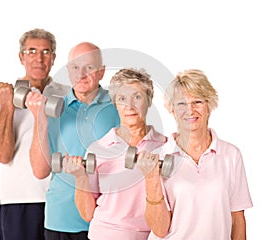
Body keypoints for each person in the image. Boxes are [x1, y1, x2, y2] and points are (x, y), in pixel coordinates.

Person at [137, 69, 253, 239]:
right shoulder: (159, 156)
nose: (190, 110)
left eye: (197, 102)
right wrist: (151, 178)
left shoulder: (230, 155)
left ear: (209, 106)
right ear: (172, 109)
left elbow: (237, 218)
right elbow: (160, 230)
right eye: (181, 104)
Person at [27, 42, 120, 239]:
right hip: (60, 220)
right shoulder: (54, 110)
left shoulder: (119, 107)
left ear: (102, 72)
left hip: (105, 221)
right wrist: (39, 118)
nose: (81, 74)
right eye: (75, 67)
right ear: (68, 71)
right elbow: (39, 171)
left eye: (89, 67)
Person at [63, 68, 167, 239]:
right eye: (122, 99)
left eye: (137, 97)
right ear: (115, 103)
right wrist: (79, 177)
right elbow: (87, 214)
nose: (130, 106)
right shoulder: (98, 149)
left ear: (149, 101)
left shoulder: (165, 146)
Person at [0, 28, 67, 240]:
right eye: (31, 51)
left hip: (62, 200)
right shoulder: (2, 97)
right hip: (19, 200)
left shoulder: (67, 95)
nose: (39, 58)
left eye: (46, 52)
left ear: (54, 57)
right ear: (21, 57)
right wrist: (7, 106)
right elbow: (3, 156)